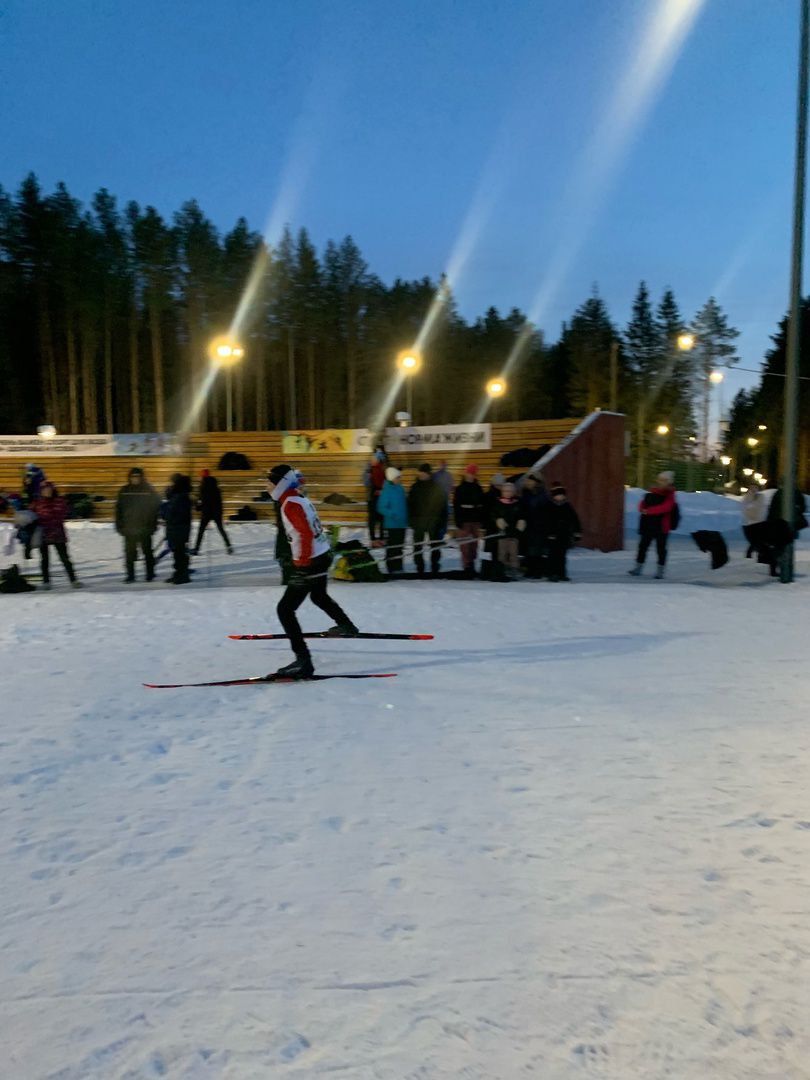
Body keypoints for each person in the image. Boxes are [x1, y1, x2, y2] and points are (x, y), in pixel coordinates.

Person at [267, 463, 358, 678]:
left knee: (285, 610)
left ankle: (303, 661)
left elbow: (305, 534)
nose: (266, 486)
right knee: (318, 595)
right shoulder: (297, 497)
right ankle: (346, 625)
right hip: (322, 554)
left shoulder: (290, 503)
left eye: (269, 483)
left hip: (311, 560)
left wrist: (302, 562)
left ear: (280, 484)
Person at [31, 481, 81, 590]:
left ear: (53, 490)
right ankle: (46, 581)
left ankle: (73, 580)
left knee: (64, 558)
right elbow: (32, 516)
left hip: (58, 533)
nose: (47, 491)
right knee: (44, 559)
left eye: (49, 489)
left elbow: (65, 513)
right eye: (45, 490)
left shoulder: (60, 501)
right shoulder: (37, 503)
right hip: (43, 534)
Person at [115, 467, 162, 583]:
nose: (135, 479)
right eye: (133, 477)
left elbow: (156, 508)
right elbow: (118, 510)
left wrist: (153, 524)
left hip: (145, 528)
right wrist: (119, 525)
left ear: (141, 477)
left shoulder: (148, 490)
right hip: (129, 528)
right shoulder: (124, 490)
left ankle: (150, 574)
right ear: (129, 477)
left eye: (137, 476)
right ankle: (130, 575)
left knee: (147, 553)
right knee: (129, 554)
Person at [629, 471, 679, 579]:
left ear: (669, 482)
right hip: (648, 525)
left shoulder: (670, 495)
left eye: (664, 480)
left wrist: (648, 511)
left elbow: (666, 508)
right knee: (642, 546)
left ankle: (660, 571)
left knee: (661, 548)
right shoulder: (652, 492)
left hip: (662, 526)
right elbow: (642, 504)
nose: (661, 482)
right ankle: (638, 567)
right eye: (660, 479)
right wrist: (642, 508)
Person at [408, 463, 447, 576]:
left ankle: (435, 565)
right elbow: (410, 505)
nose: (421, 474)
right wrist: (412, 521)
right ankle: (419, 566)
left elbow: (442, 506)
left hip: (433, 522)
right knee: (418, 546)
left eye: (423, 472)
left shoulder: (436, 487)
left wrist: (441, 522)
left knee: (435, 545)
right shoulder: (415, 487)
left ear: (428, 473)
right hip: (419, 522)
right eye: (420, 472)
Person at [453, 464, 487, 577]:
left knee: (474, 545)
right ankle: (466, 565)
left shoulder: (478, 488)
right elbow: (456, 506)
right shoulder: (460, 488)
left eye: (473, 474)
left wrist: (482, 519)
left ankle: (472, 564)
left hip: (475, 520)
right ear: (465, 473)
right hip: (464, 520)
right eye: (469, 473)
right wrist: (458, 521)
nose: (471, 476)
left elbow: (482, 505)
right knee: (465, 545)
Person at [545, 483, 582, 582]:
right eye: (558, 495)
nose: (560, 496)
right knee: (553, 555)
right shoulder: (549, 506)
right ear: (554, 496)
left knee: (562, 555)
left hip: (564, 535)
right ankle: (551, 574)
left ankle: (561, 573)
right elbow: (546, 521)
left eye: (562, 495)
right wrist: (549, 533)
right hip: (552, 536)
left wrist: (577, 532)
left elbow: (575, 519)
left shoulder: (567, 506)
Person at [377, 466, 408, 575]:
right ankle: (391, 567)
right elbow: (381, 507)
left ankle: (399, 566)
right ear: (392, 478)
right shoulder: (386, 491)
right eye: (398, 477)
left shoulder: (400, 488)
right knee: (392, 548)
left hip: (401, 524)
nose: (400, 479)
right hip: (392, 524)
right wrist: (392, 514)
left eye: (399, 477)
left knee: (400, 547)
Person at [193, 469, 232, 555]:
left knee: (201, 530)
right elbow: (219, 501)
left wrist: (197, 507)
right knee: (221, 529)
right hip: (216, 512)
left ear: (202, 477)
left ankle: (196, 549)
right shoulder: (216, 487)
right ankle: (229, 546)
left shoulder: (202, 488)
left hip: (206, 512)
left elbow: (203, 501)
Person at [164, 474, 193, 584]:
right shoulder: (179, 495)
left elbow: (173, 512)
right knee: (177, 552)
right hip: (177, 528)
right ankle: (179, 573)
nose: (170, 485)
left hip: (179, 528)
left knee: (180, 553)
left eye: (172, 483)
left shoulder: (181, 497)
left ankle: (183, 575)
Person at [520, 474, 550, 578]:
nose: (527, 482)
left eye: (530, 481)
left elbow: (545, 511)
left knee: (537, 549)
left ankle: (537, 570)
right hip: (529, 525)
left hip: (539, 526)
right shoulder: (526, 493)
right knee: (530, 548)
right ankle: (531, 569)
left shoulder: (542, 495)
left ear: (536, 482)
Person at [494, 482, 527, 578]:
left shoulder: (518, 503)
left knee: (513, 552)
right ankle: (502, 569)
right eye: (505, 491)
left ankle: (514, 569)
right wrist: (499, 521)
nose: (507, 493)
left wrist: (521, 523)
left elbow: (522, 515)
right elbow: (494, 515)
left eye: (509, 491)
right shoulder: (498, 503)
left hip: (514, 532)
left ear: (513, 492)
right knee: (502, 552)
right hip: (502, 532)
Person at [363, 450, 387, 544]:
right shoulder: (369, 469)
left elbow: (387, 482)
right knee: (372, 519)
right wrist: (368, 473)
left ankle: (381, 538)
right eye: (372, 458)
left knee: (381, 518)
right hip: (372, 497)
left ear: (378, 460)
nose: (371, 460)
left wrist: (382, 491)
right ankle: (373, 539)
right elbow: (366, 483)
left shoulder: (383, 469)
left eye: (374, 458)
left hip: (381, 497)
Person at [741, 486, 769, 559]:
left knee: (756, 541)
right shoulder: (748, 498)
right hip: (753, 524)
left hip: (756, 523)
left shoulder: (760, 497)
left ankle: (754, 555)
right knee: (756, 541)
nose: (754, 490)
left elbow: (760, 509)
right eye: (752, 489)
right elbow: (747, 510)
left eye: (755, 488)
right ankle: (754, 555)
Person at [433, 459, 454, 538]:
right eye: (441, 464)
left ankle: (442, 536)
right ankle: (437, 537)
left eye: (444, 464)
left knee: (445, 520)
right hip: (437, 502)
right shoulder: (435, 475)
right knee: (438, 520)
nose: (442, 466)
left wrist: (449, 495)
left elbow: (451, 487)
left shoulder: (448, 475)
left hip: (445, 501)